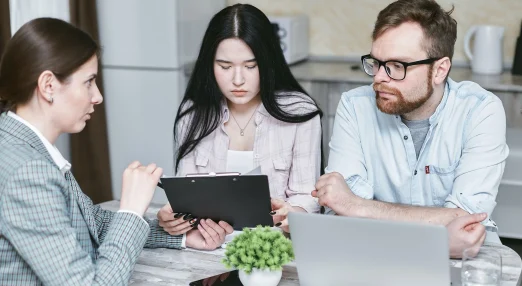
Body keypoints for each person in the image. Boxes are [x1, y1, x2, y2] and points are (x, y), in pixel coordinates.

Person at [0, 18, 231, 285]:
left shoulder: (20, 143)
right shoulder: (29, 172)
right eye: (88, 82)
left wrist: (178, 236)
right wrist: (131, 209)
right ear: (48, 86)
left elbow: (90, 222)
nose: (97, 96)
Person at [312, 0, 508, 258]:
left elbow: (466, 220)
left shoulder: (481, 110)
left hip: (465, 259)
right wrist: (436, 233)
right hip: (374, 253)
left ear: (439, 70)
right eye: (376, 62)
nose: (379, 77)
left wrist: (357, 206)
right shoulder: (354, 107)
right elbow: (341, 213)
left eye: (397, 67)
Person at [157, 3, 323, 240]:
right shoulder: (193, 113)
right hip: (208, 249)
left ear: (268, 62)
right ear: (209, 64)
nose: (237, 80)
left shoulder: (300, 112)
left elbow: (308, 196)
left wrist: (292, 213)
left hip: (274, 249)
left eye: (250, 66)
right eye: (225, 66)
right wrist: (175, 219)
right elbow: (186, 197)